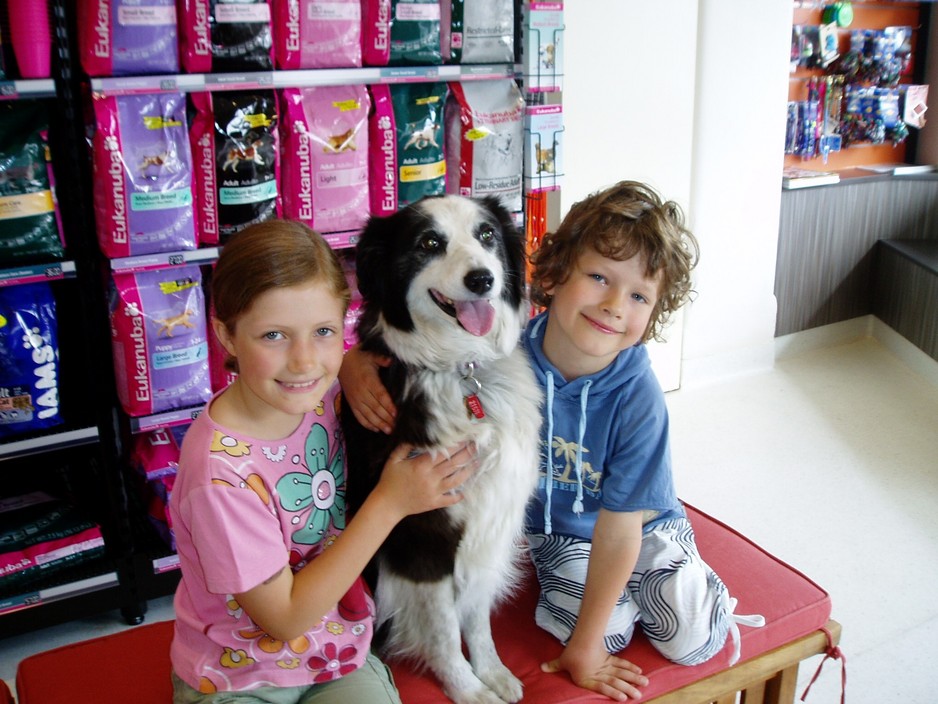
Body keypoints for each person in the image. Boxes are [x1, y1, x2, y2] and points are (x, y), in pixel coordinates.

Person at [341, 182, 763, 702]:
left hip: (635, 528)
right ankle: (619, 601)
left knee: (690, 636)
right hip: (557, 536)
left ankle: (696, 584)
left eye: (637, 296)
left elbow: (619, 529)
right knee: (605, 627)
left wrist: (584, 650)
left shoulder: (638, 397)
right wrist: (353, 360)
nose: (613, 306)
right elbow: (434, 353)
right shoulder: (511, 353)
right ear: (556, 273)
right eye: (598, 278)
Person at [169, 220, 476, 704]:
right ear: (226, 334)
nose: (304, 361)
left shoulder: (324, 395)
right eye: (274, 335)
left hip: (333, 654)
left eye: (324, 332)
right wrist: (390, 504)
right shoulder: (218, 476)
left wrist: (352, 364)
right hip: (238, 676)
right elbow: (285, 617)